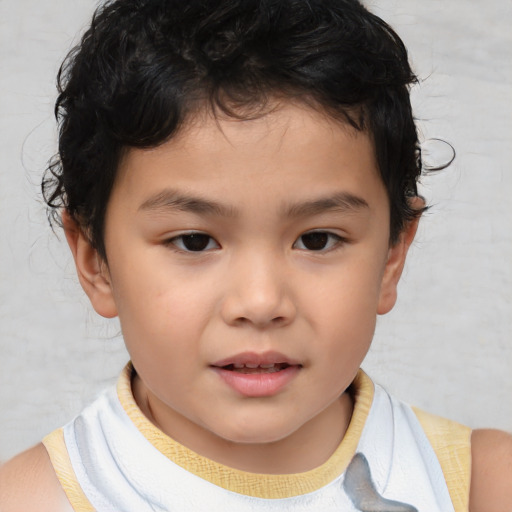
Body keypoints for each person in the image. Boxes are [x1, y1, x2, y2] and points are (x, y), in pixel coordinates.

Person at [1, 0, 511, 510]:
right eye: (195, 241)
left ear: (393, 254)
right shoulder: (30, 499)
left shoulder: (481, 487)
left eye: (317, 240)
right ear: (96, 261)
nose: (262, 301)